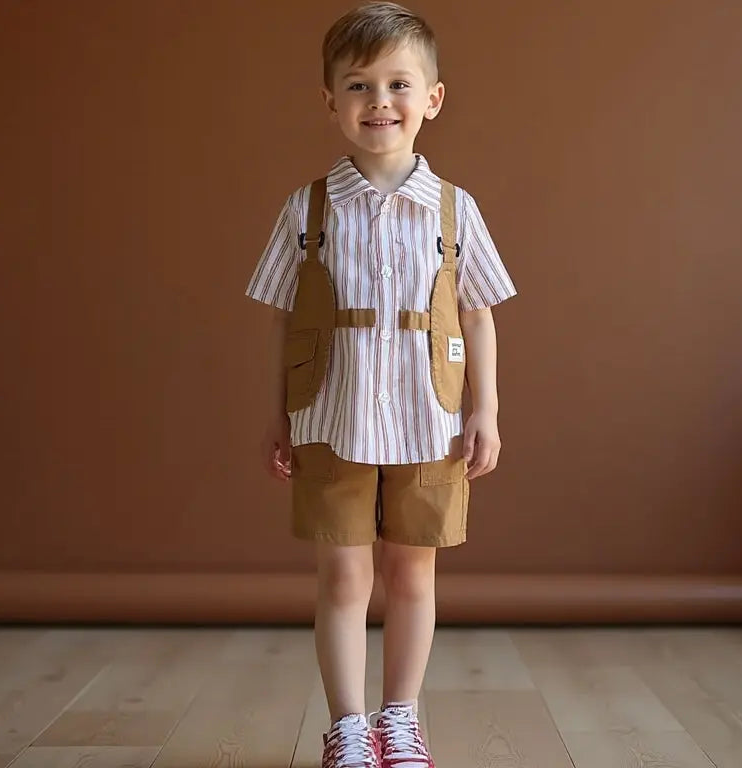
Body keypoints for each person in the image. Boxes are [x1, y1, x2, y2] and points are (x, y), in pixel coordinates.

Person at [245, 2, 518, 765]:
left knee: (411, 571)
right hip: (332, 420)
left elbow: (480, 316)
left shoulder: (456, 213)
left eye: (399, 83)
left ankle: (400, 719)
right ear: (330, 101)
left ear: (432, 97)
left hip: (428, 422)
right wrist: (276, 415)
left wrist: (485, 411)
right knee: (342, 575)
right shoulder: (306, 211)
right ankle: (347, 729)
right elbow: (282, 320)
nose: (380, 102)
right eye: (358, 85)